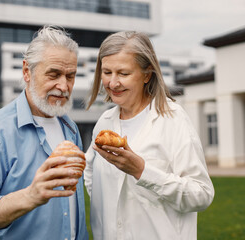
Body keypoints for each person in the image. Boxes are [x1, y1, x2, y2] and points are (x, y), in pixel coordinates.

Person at [0, 25, 89, 240]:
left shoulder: (70, 128)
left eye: (70, 76)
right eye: (53, 74)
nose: (63, 86)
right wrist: (29, 196)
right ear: (27, 71)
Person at [84, 31, 215, 239]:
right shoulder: (104, 123)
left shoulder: (173, 118)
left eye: (123, 73)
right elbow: (91, 174)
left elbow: (201, 194)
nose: (113, 83)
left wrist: (142, 171)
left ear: (147, 74)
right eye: (107, 72)